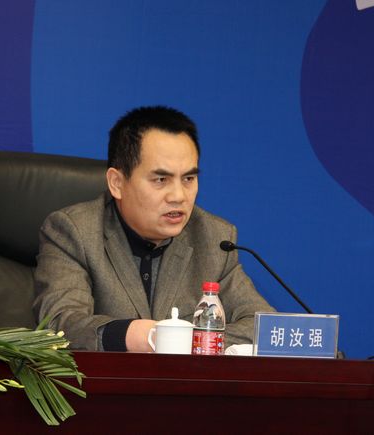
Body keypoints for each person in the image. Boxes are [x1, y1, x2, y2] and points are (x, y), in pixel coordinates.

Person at [33, 106, 274, 351]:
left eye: (188, 179)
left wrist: (178, 340)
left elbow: (263, 329)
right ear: (117, 183)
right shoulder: (74, 232)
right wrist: (138, 336)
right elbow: (59, 325)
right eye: (161, 180)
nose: (178, 196)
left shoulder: (214, 238)